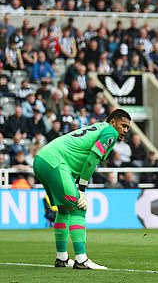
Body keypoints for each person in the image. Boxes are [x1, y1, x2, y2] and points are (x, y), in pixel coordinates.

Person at [32, 109, 131, 270]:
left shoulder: (99, 127)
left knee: (64, 210)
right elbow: (91, 160)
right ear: (113, 122)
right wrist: (82, 189)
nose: (125, 131)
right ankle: (81, 259)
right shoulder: (110, 132)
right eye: (123, 126)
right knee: (79, 207)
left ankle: (62, 258)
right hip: (55, 162)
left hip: (42, 160)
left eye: (128, 128)